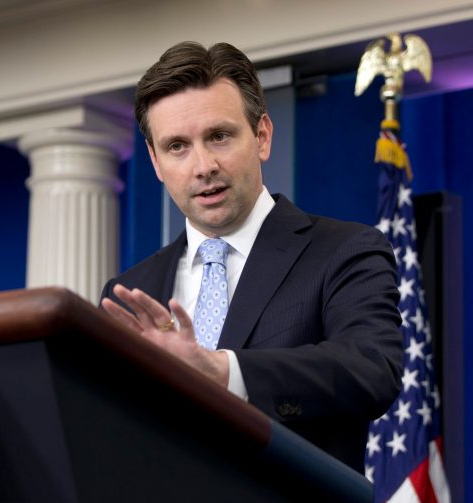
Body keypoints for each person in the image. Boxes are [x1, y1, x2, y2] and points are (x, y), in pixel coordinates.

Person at [100, 41, 403, 472]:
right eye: (177, 147)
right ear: (154, 161)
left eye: (219, 136)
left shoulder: (345, 250)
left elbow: (371, 370)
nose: (203, 165)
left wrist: (224, 372)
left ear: (261, 136)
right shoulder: (129, 292)